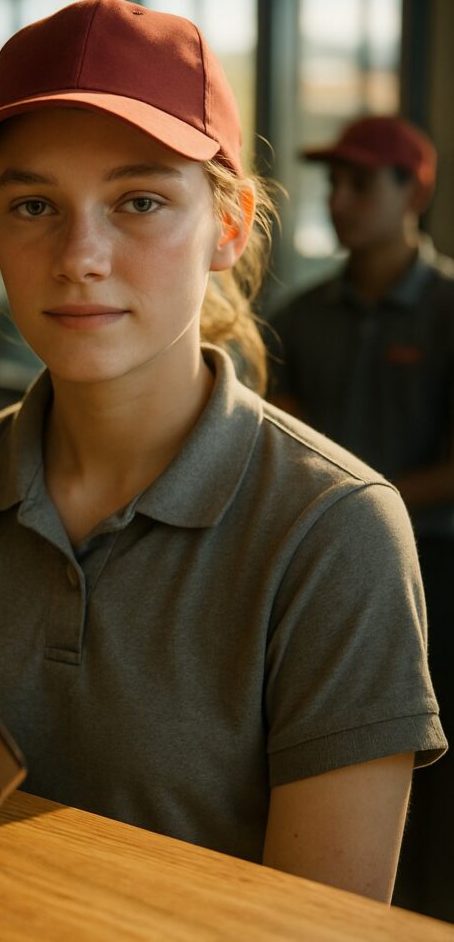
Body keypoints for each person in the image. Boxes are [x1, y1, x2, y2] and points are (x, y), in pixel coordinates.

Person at [0, 0, 446, 903]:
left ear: (226, 225)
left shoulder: (334, 532)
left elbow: (321, 929)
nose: (79, 255)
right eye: (31, 204)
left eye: (138, 200)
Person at [267, 114, 454, 920]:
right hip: (321, 573)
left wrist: (357, 510)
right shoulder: (301, 315)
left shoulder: (448, 309)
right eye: (330, 182)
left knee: (432, 783)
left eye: (358, 182)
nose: (337, 199)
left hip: (438, 575)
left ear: (412, 190)